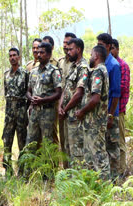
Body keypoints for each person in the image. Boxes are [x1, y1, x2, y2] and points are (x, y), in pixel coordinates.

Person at [75, 45, 111, 179]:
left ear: (96, 56)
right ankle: (95, 187)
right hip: (94, 122)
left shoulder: (97, 72)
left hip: (95, 122)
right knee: (91, 156)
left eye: (91, 55)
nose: (90, 57)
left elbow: (95, 99)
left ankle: (105, 188)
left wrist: (82, 111)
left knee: (99, 156)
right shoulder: (103, 70)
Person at [58, 38, 89, 165]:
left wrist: (65, 109)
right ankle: (69, 179)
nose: (68, 52)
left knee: (77, 152)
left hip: (75, 116)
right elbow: (65, 89)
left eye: (71, 49)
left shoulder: (83, 67)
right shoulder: (72, 67)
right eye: (67, 49)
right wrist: (60, 106)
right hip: (67, 115)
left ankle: (77, 181)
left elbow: (79, 93)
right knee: (67, 148)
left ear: (79, 49)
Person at [26, 42, 62, 145]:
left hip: (48, 112)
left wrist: (43, 100)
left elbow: (58, 93)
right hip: (34, 111)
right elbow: (28, 90)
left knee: (48, 143)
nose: (38, 55)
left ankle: (51, 162)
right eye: (37, 53)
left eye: (42, 53)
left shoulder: (54, 71)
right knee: (30, 142)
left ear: (49, 55)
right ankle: (30, 161)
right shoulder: (33, 71)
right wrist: (31, 98)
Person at [97, 33, 121, 179]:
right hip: (100, 114)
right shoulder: (100, 63)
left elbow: (116, 93)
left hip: (111, 114)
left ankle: (115, 179)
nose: (98, 47)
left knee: (112, 147)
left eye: (100, 44)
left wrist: (110, 115)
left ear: (108, 46)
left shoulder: (114, 65)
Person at [2, 47, 29, 174]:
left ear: (19, 57)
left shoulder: (25, 73)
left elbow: (28, 92)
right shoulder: (6, 74)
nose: (12, 58)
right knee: (7, 140)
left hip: (21, 111)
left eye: (14, 55)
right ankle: (8, 170)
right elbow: (6, 92)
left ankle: (22, 170)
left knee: (22, 141)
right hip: (9, 112)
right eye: (10, 55)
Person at [111, 38, 130, 177]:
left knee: (121, 141)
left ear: (117, 49)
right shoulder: (108, 65)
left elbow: (122, 88)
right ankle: (114, 169)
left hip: (120, 109)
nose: (110, 51)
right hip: (111, 109)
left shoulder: (122, 66)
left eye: (113, 48)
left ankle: (122, 170)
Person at [57, 32, 76, 168]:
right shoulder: (60, 62)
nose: (65, 46)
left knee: (73, 141)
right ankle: (65, 168)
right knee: (63, 139)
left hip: (73, 106)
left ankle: (75, 170)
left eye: (68, 43)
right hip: (60, 106)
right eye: (64, 43)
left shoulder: (78, 64)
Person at [42, 35, 60, 149]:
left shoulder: (55, 65)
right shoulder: (33, 67)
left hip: (51, 106)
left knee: (52, 135)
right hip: (37, 108)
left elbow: (58, 89)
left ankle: (55, 164)